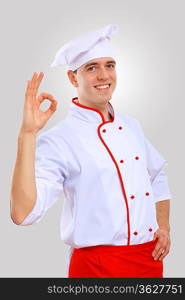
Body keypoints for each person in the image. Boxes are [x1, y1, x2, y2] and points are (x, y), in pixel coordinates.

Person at [10, 24, 172, 278]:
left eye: (109, 65)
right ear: (73, 78)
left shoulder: (132, 127)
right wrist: (27, 135)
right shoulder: (59, 139)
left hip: (148, 262)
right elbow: (23, 213)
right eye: (91, 68)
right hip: (97, 269)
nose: (104, 75)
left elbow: (157, 176)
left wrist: (163, 225)